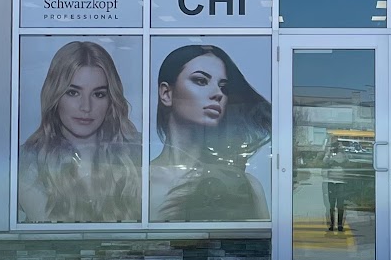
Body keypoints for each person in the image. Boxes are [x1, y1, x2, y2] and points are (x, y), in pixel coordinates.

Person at [18, 39, 142, 223]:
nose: (86, 107)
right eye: (73, 92)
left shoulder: (138, 154)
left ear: (111, 100)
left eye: (98, 94)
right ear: (55, 95)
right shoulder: (27, 162)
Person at [147, 43, 271, 222]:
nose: (218, 94)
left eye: (223, 87)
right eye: (201, 81)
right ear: (166, 93)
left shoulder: (247, 186)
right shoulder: (135, 182)